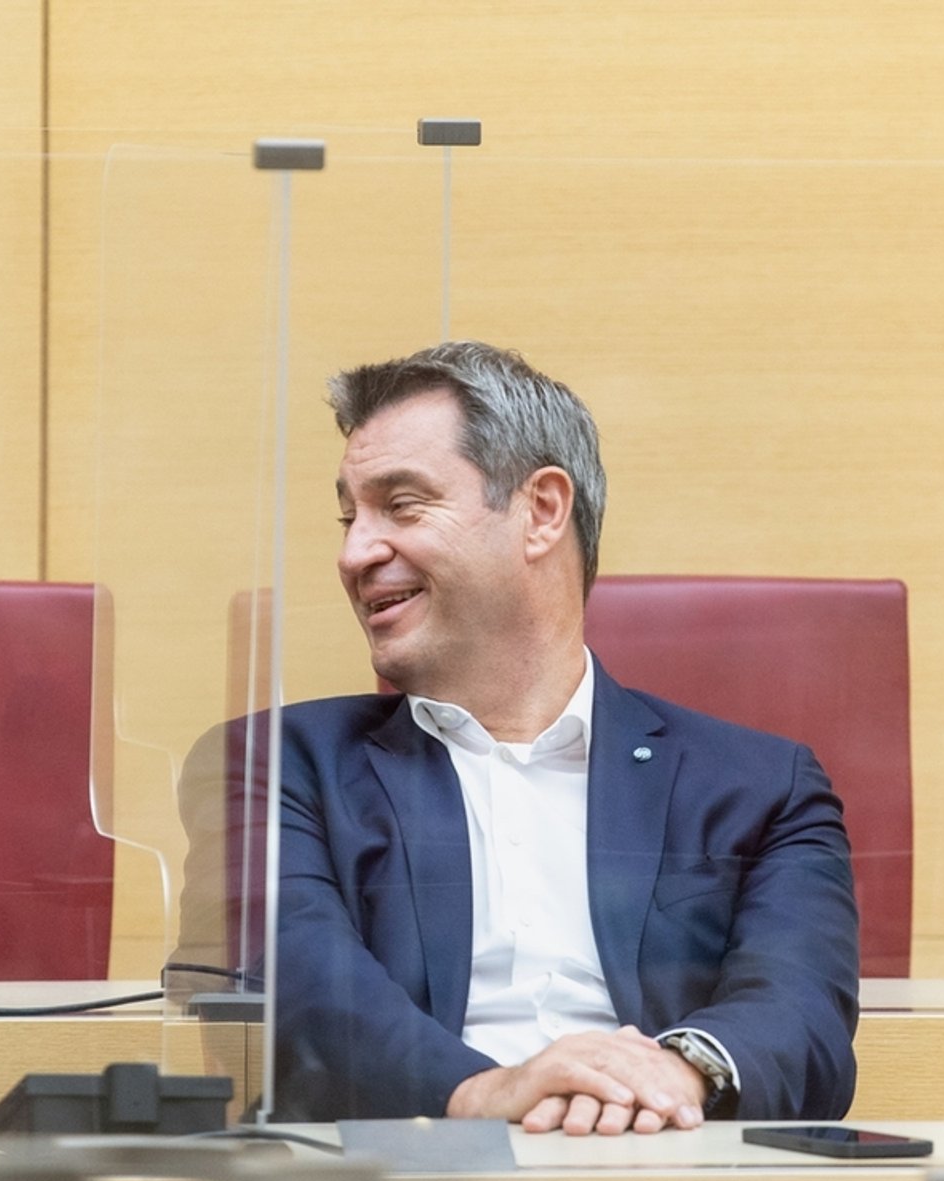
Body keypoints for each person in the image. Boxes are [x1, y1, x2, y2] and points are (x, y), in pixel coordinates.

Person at [268, 341, 859, 1134]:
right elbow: (301, 990)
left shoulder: (762, 787)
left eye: (400, 506)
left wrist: (675, 1072)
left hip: (670, 1172)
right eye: (349, 516)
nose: (353, 553)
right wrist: (487, 1093)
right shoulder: (283, 766)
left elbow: (802, 1008)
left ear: (542, 511)